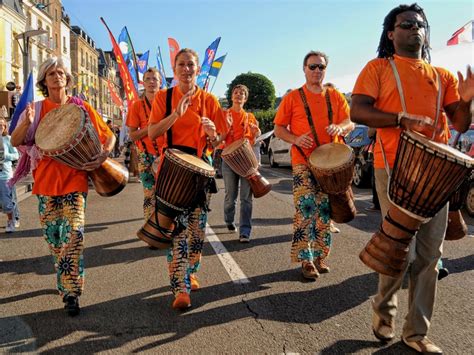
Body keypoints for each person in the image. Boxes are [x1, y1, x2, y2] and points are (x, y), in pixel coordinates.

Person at [350, 4, 473, 353]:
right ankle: (384, 312)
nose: (415, 29)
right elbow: (356, 110)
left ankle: (416, 332)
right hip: (393, 168)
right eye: (406, 24)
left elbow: (461, 123)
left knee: (430, 257)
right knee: (399, 251)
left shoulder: (443, 75)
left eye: (421, 25)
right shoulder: (378, 68)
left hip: (435, 177)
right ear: (392, 33)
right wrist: (401, 119)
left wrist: (466, 101)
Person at [10, 57, 115, 316]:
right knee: (55, 240)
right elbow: (14, 140)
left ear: (68, 78)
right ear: (45, 81)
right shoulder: (35, 108)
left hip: (75, 182)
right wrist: (26, 122)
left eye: (61, 73)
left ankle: (72, 292)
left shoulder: (81, 107)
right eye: (51, 74)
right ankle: (65, 279)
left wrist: (103, 155)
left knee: (75, 235)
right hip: (45, 185)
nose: (57, 77)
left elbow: (109, 136)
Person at [148, 48, 227, 310]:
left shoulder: (210, 100)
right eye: (181, 64)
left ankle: (191, 270)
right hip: (171, 167)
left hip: (200, 170)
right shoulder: (163, 97)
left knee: (197, 231)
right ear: (174, 69)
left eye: (191, 64)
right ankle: (180, 287)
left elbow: (218, 141)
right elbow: (152, 133)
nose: (186, 69)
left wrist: (213, 134)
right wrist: (175, 116)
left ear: (197, 69)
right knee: (178, 231)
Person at [274, 51, 354, 280]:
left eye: (321, 67)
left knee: (325, 213)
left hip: (331, 165)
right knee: (306, 208)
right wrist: (296, 139)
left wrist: (341, 128)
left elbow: (349, 121)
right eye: (312, 67)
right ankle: (306, 259)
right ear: (304, 69)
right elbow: (279, 128)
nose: (317, 71)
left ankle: (321, 256)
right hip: (303, 161)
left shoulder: (335, 96)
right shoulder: (292, 98)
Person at [220, 84, 261, 243]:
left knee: (246, 197)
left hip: (246, 162)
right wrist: (227, 127)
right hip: (229, 160)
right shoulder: (224, 114)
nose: (238, 95)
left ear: (245, 98)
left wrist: (256, 133)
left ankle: (245, 231)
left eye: (242, 93)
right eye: (236, 93)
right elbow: (219, 139)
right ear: (231, 96)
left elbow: (254, 140)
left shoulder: (250, 117)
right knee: (231, 196)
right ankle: (229, 220)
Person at [126, 68, 161, 222]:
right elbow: (132, 135)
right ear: (144, 83)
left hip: (167, 155)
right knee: (149, 194)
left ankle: (165, 229)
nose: (151, 82)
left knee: (168, 195)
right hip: (146, 155)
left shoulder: (168, 103)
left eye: (155, 79)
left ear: (160, 82)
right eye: (148, 79)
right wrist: (151, 129)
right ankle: (151, 231)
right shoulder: (136, 106)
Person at [0, 118, 20, 233]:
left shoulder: (8, 139)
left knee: (6, 202)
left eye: (3, 125)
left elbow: (16, 155)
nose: (1, 127)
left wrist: (5, 155)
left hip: (4, 175)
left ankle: (11, 220)